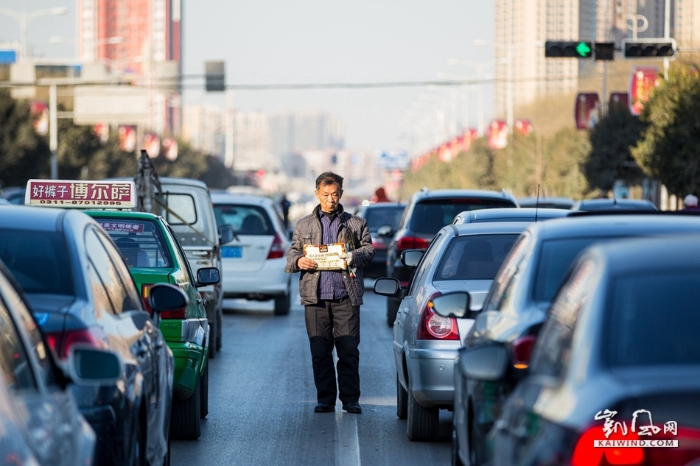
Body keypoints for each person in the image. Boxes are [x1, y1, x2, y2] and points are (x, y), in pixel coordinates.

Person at [285, 172, 375, 414]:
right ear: (317, 194)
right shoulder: (304, 224)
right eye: (325, 195)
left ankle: (350, 400)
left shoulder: (356, 224)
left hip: (346, 296)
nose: (330, 199)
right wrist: (300, 261)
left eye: (335, 195)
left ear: (341, 195)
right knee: (320, 351)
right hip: (315, 299)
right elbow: (291, 255)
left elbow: (369, 251)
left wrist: (351, 256)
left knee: (348, 350)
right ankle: (325, 399)